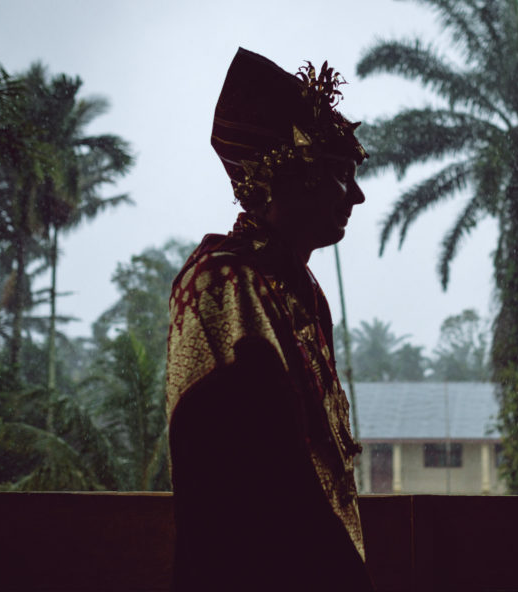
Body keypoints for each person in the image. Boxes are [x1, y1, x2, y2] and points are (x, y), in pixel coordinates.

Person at [165, 48, 373, 591]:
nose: (356, 195)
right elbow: (246, 477)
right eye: (340, 174)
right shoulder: (221, 281)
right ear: (294, 178)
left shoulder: (300, 289)